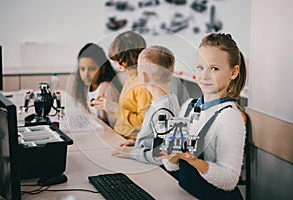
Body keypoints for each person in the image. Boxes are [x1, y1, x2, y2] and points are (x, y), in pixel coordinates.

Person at [159, 33, 247, 199]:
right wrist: (172, 156)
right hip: (187, 194)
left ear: (233, 72)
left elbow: (229, 180)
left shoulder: (229, 118)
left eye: (214, 68)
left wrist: (195, 162)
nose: (204, 76)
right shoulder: (188, 108)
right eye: (200, 67)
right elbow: (171, 167)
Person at [112, 45, 180, 165]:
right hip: (143, 158)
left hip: (157, 170)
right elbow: (157, 140)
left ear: (143, 76)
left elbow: (163, 156)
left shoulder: (163, 110)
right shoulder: (165, 100)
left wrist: (133, 153)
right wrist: (138, 144)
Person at [95, 31, 152, 139]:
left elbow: (143, 123)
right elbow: (128, 109)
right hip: (121, 135)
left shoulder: (142, 84)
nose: (117, 66)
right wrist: (109, 106)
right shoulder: (131, 77)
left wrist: (115, 109)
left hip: (131, 140)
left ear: (130, 57)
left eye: (120, 61)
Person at [71, 43, 121, 127]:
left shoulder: (107, 89)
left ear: (102, 69)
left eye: (92, 69)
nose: (86, 74)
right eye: (82, 69)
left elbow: (116, 124)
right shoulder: (88, 87)